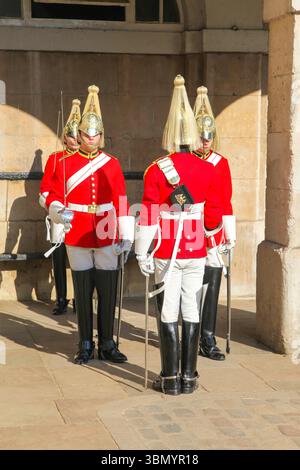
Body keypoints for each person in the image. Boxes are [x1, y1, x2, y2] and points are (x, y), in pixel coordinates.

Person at [135, 75, 223, 395]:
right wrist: (211, 235)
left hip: (166, 248)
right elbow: (212, 215)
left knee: (168, 309)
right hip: (196, 248)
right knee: (191, 309)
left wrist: (141, 251)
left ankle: (170, 378)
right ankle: (191, 377)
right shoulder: (208, 169)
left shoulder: (158, 169)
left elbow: (148, 214)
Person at [46, 85, 134, 365]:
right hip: (78, 229)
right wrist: (59, 212)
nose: (91, 139)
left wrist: (126, 233)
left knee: (107, 289)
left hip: (106, 228)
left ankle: (107, 341)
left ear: (101, 135)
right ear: (79, 135)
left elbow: (121, 199)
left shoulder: (112, 163)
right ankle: (85, 342)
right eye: (86, 134)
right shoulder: (65, 163)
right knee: (82, 289)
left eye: (95, 134)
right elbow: (55, 196)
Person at [193, 86, 236, 361]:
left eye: (209, 137)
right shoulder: (187, 161)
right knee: (190, 285)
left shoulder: (221, 163)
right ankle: (190, 334)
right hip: (192, 229)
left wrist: (228, 234)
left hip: (215, 231)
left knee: (212, 282)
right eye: (201, 136)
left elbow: (226, 200)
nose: (206, 141)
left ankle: (207, 335)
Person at [39, 99, 81, 314]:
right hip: (60, 212)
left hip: (79, 214)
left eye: (78, 135)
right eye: (72, 135)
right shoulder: (55, 159)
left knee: (80, 259)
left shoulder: (88, 160)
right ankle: (62, 298)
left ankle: (79, 297)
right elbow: (45, 189)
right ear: (65, 136)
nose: (75, 139)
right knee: (59, 256)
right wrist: (53, 208)